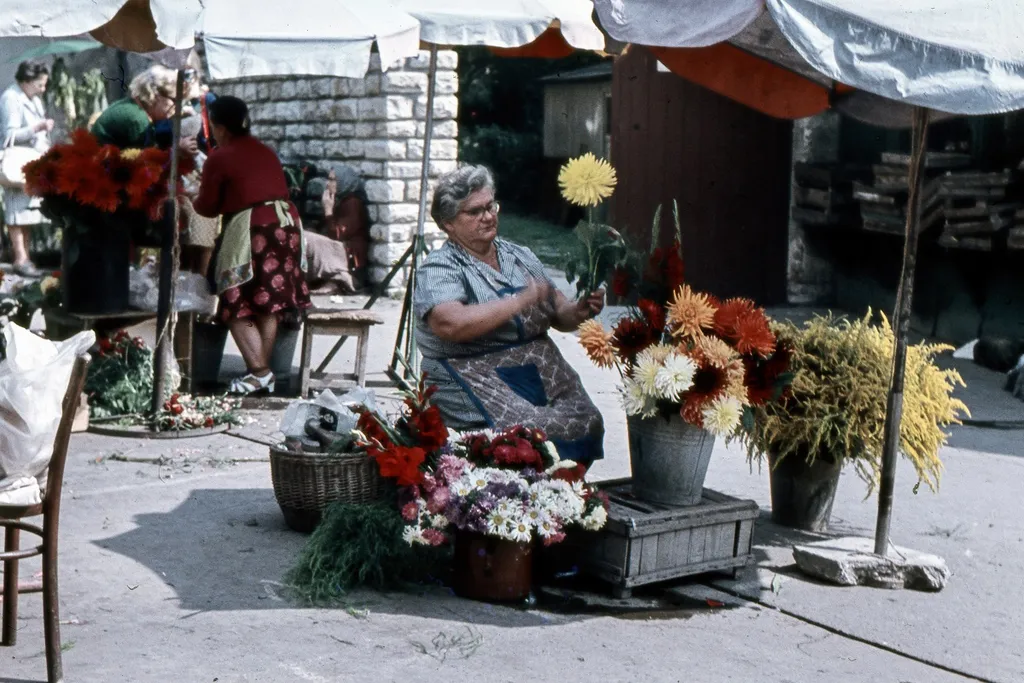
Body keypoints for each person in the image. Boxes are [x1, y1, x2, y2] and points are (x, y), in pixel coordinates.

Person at [414, 165, 607, 466]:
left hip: (539, 368)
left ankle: (565, 497)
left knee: (587, 419)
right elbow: (449, 323)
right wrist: (518, 301)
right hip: (471, 375)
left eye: (491, 206)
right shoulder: (441, 267)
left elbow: (560, 314)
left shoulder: (520, 255)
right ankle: (533, 503)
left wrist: (579, 310)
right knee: (524, 439)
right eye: (475, 211)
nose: (488, 216)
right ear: (448, 223)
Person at [193, 96, 310, 395]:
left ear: (218, 128)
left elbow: (207, 207)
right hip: (287, 225)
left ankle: (259, 372)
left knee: (234, 301)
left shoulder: (220, 156)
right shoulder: (264, 150)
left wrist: (193, 195)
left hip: (255, 228)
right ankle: (261, 375)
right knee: (267, 301)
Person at [0, 61, 54, 277]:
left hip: (32, 161)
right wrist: (37, 127)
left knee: (27, 211)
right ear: (27, 81)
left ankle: (25, 257)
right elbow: (10, 135)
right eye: (40, 85)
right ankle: (20, 258)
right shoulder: (11, 98)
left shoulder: (33, 99)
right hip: (18, 161)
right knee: (16, 209)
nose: (43, 89)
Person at [91, 65, 195, 156]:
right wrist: (177, 151)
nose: (178, 107)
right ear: (156, 95)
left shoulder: (133, 106)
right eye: (175, 100)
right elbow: (146, 165)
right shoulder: (137, 119)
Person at [177, 114, 220, 276]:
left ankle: (198, 280)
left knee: (204, 216)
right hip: (175, 202)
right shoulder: (169, 155)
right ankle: (184, 279)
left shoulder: (201, 159)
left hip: (198, 204)